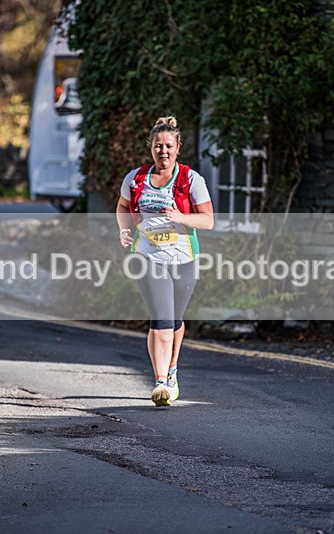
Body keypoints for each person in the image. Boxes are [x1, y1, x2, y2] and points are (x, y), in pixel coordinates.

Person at [116, 116, 214, 407]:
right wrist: (124, 230)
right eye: (158, 146)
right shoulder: (135, 179)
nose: (163, 151)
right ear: (151, 148)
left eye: (169, 146)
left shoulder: (191, 179)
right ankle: (160, 382)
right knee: (161, 319)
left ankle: (172, 372)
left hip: (184, 258)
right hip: (147, 256)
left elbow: (207, 220)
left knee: (175, 321)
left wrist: (181, 217)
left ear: (178, 147)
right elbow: (122, 207)